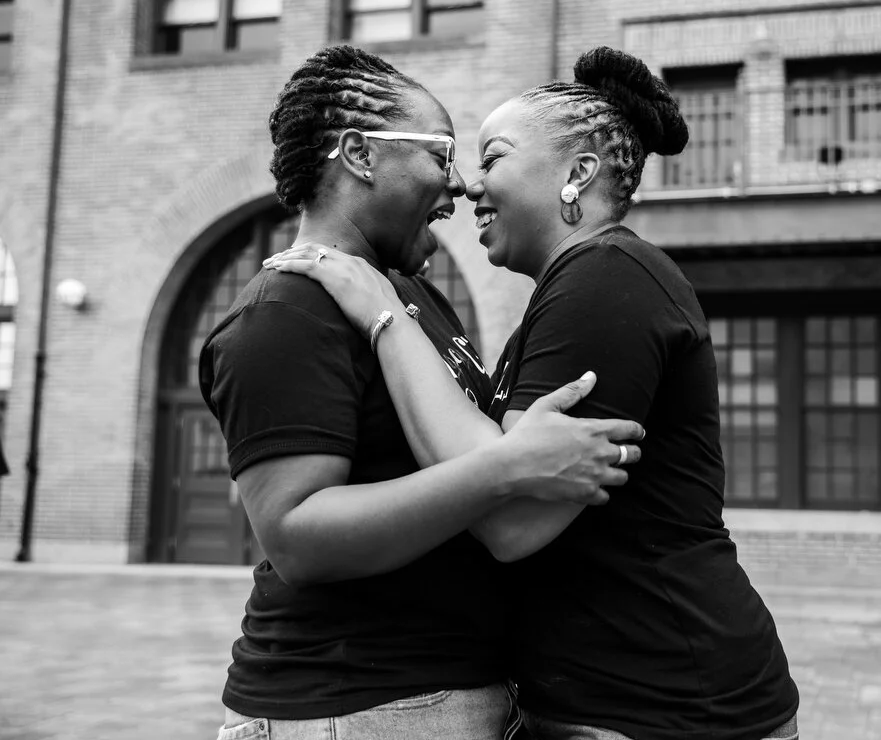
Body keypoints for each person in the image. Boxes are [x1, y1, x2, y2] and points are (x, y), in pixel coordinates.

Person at [266, 46, 800, 740]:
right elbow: (499, 473)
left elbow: (510, 522)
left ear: (577, 173)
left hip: (665, 703)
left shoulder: (607, 278)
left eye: (492, 158)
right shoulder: (574, 288)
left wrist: (385, 317)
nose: (470, 187)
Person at [202, 45, 646, 740]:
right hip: (352, 705)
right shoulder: (286, 311)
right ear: (359, 154)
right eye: (442, 155)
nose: (462, 184)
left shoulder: (409, 299)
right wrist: (502, 469)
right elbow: (297, 537)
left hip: (446, 694)